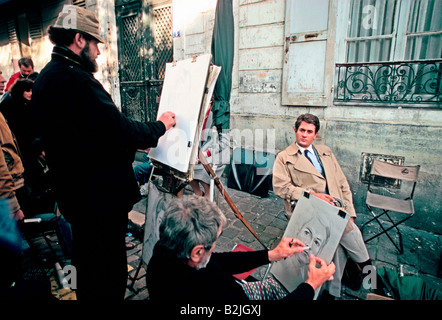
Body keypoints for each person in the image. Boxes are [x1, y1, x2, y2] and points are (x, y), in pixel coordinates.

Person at [32, 5, 176, 300]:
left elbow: (80, 133)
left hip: (76, 197)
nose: (100, 51)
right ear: (79, 39)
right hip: (98, 200)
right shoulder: (76, 79)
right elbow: (118, 127)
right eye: (97, 42)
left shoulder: (46, 76)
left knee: (85, 263)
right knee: (107, 272)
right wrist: (159, 126)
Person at [146, 195, 335, 300]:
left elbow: (218, 261)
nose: (214, 248)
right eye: (214, 242)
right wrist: (311, 286)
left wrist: (271, 254)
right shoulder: (208, 293)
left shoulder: (165, 250)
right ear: (197, 252)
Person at [272, 113, 373, 299]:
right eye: (301, 130)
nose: (304, 134)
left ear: (315, 135)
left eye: (309, 131)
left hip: (337, 210)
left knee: (345, 247)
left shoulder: (325, 151)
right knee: (344, 241)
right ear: (295, 130)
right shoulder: (284, 157)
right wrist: (311, 194)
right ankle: (364, 278)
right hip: (309, 211)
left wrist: (350, 212)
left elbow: (342, 183)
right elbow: (280, 187)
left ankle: (347, 288)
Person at [189, 98, 229, 199]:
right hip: (202, 151)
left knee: (203, 169)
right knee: (188, 167)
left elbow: (224, 142)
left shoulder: (219, 114)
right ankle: (198, 193)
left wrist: (206, 153)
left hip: (217, 152)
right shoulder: (198, 114)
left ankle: (208, 197)